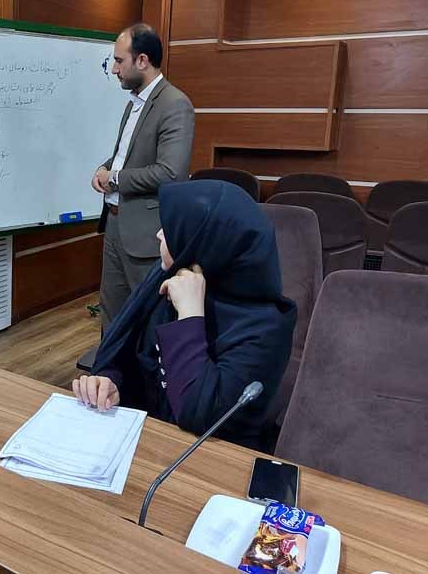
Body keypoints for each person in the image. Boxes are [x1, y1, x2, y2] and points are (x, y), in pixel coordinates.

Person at [73, 180, 297, 450]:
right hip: (146, 437)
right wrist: (113, 382)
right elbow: (132, 355)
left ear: (203, 244)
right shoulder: (170, 274)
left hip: (211, 456)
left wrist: (190, 316)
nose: (158, 234)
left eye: (170, 229)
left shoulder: (266, 326)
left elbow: (200, 417)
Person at [91, 23, 195, 334]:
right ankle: (111, 366)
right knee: (112, 316)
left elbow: (170, 173)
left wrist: (114, 178)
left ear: (142, 61)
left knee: (148, 320)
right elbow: (126, 156)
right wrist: (104, 168)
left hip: (145, 236)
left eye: (119, 61)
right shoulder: (133, 104)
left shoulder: (175, 104)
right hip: (115, 224)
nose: (114, 69)